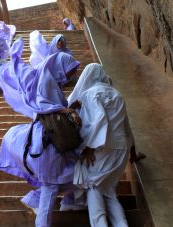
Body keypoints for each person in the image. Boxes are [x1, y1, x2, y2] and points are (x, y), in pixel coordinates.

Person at [0, 38, 84, 227]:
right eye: (71, 68)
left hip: (48, 143)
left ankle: (42, 199)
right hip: (47, 144)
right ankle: (43, 207)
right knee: (53, 187)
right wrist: (66, 110)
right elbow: (43, 106)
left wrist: (68, 107)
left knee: (70, 176)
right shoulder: (47, 82)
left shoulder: (50, 80)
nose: (73, 73)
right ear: (60, 66)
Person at [67, 63, 133, 227]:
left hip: (103, 147)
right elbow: (126, 126)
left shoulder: (90, 94)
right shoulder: (117, 94)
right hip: (121, 148)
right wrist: (132, 152)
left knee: (93, 186)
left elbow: (99, 120)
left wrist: (89, 146)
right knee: (108, 192)